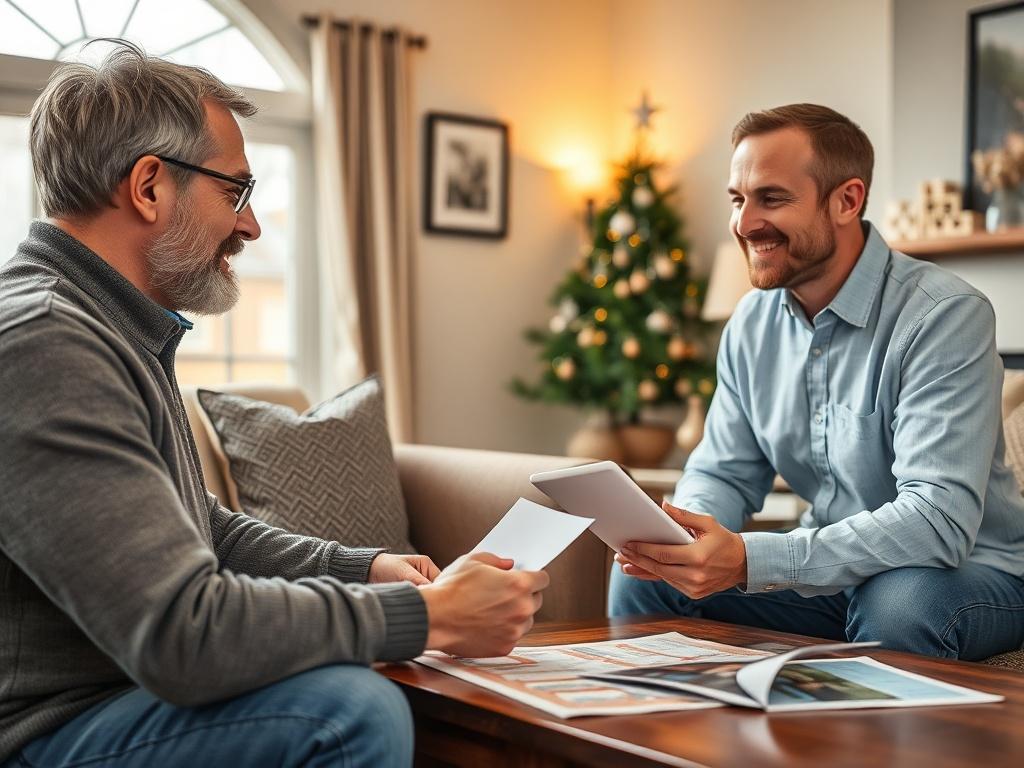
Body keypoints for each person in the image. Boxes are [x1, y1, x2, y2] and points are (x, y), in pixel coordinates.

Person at [0, 43, 548, 767]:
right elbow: (182, 632)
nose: (251, 225)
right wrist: (429, 615)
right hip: (49, 730)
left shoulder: (105, 322)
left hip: (114, 696)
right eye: (236, 191)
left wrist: (366, 569)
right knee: (349, 711)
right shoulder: (46, 343)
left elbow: (203, 529)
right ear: (149, 187)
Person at [609, 103, 1024, 661]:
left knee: (899, 602)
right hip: (834, 578)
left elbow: (937, 521)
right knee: (651, 579)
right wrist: (684, 541)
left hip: (965, 574)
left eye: (772, 198)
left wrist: (754, 560)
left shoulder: (944, 316)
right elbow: (724, 472)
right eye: (738, 199)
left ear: (847, 200)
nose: (744, 222)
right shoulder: (749, 327)